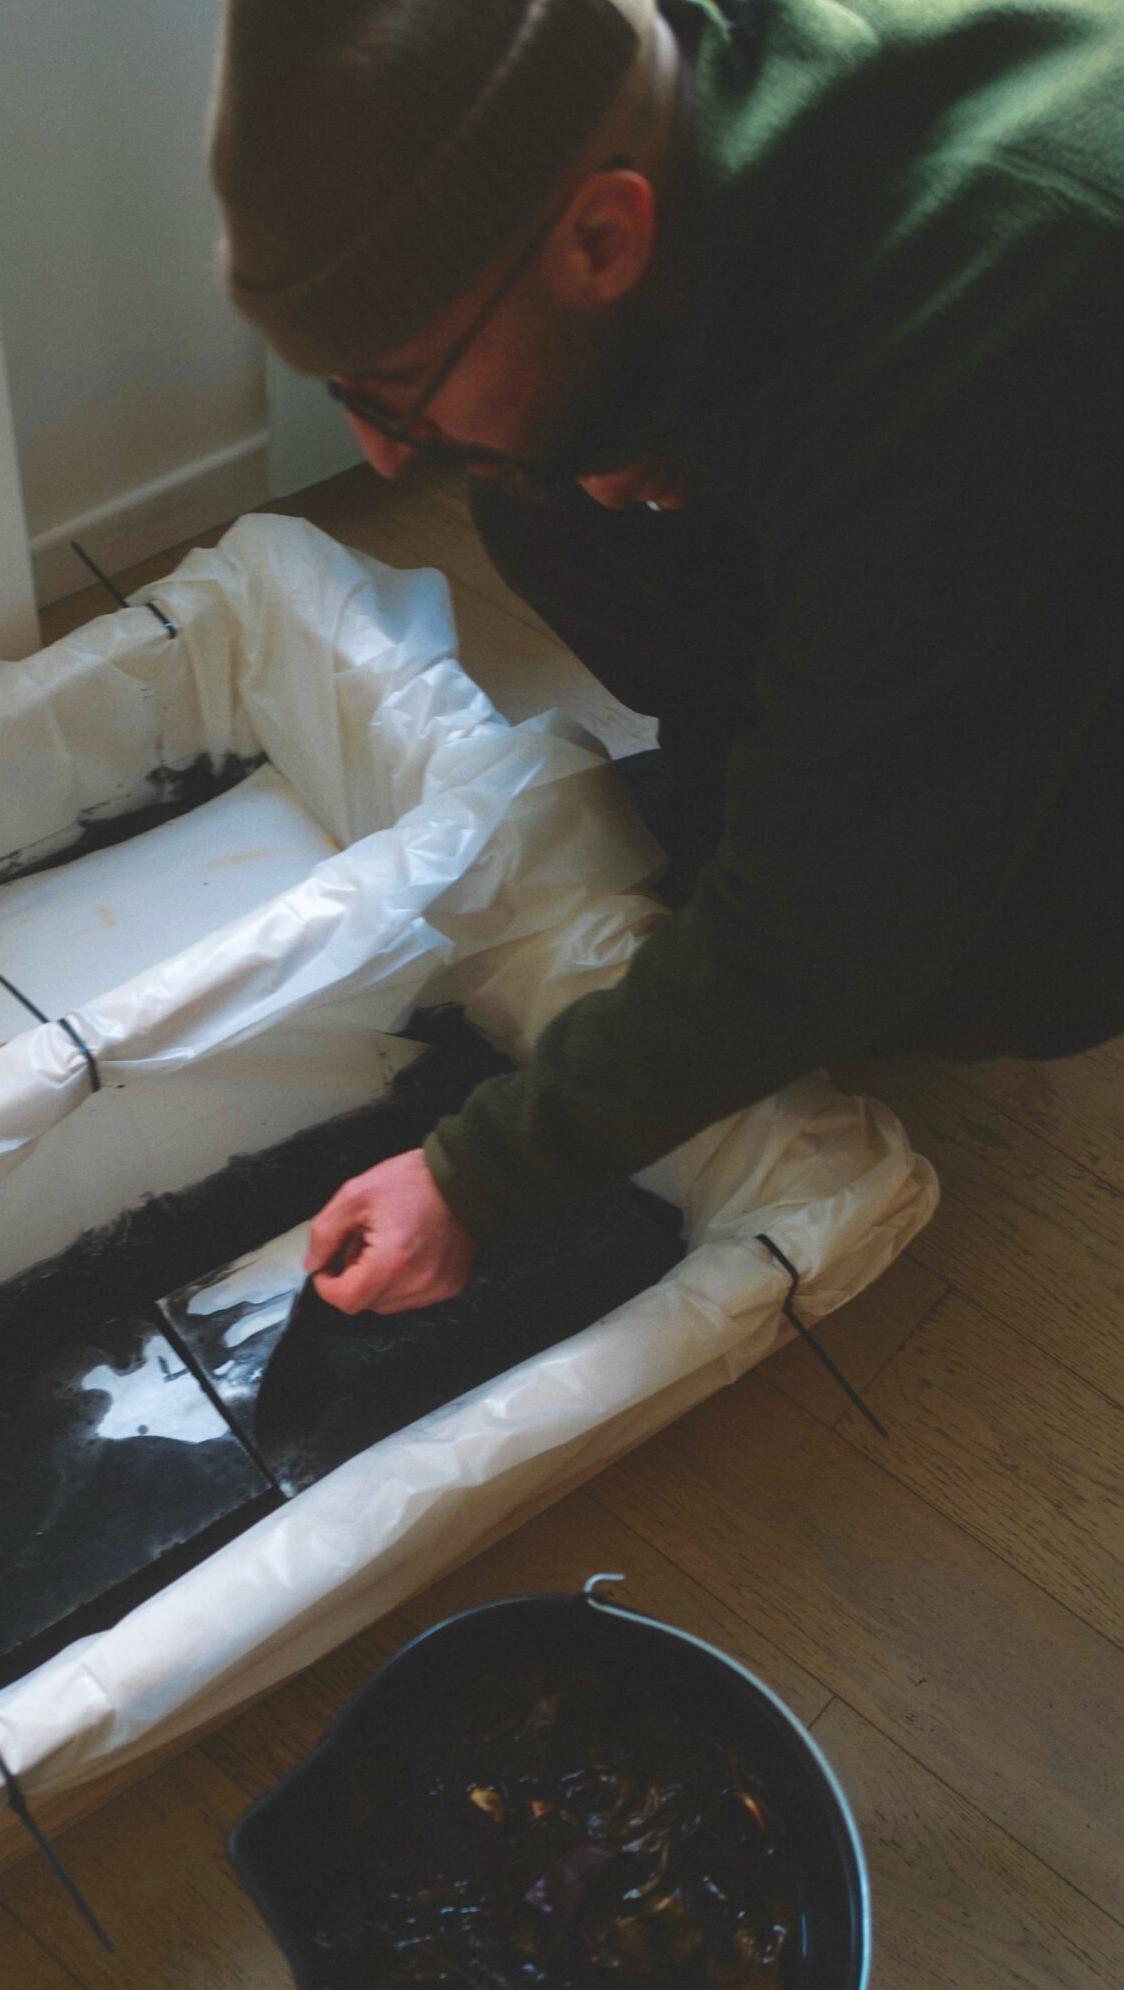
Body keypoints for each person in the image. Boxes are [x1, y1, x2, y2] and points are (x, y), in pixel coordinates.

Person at [207, 0, 1124, 1315]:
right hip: (994, 478)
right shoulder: (661, 85)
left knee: (971, 961)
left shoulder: (976, 345)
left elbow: (829, 923)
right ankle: (777, 786)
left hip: (1058, 462)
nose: (382, 455)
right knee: (540, 484)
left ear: (604, 238)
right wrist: (682, 402)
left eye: (400, 380)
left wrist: (474, 1177)